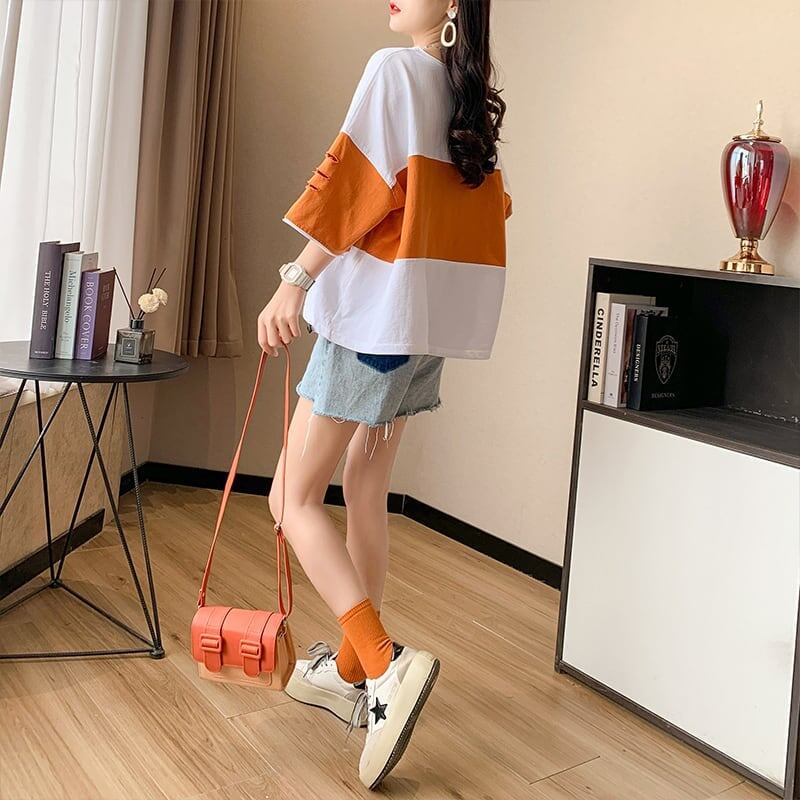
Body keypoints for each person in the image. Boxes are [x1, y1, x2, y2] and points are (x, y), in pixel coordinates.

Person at [257, 0, 511, 790]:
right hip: (421, 329)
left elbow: (354, 184)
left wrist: (295, 279)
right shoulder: (466, 99)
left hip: (370, 326)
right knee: (365, 488)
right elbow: (486, 213)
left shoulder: (394, 71)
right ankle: (357, 680)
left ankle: (382, 663)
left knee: (290, 499)